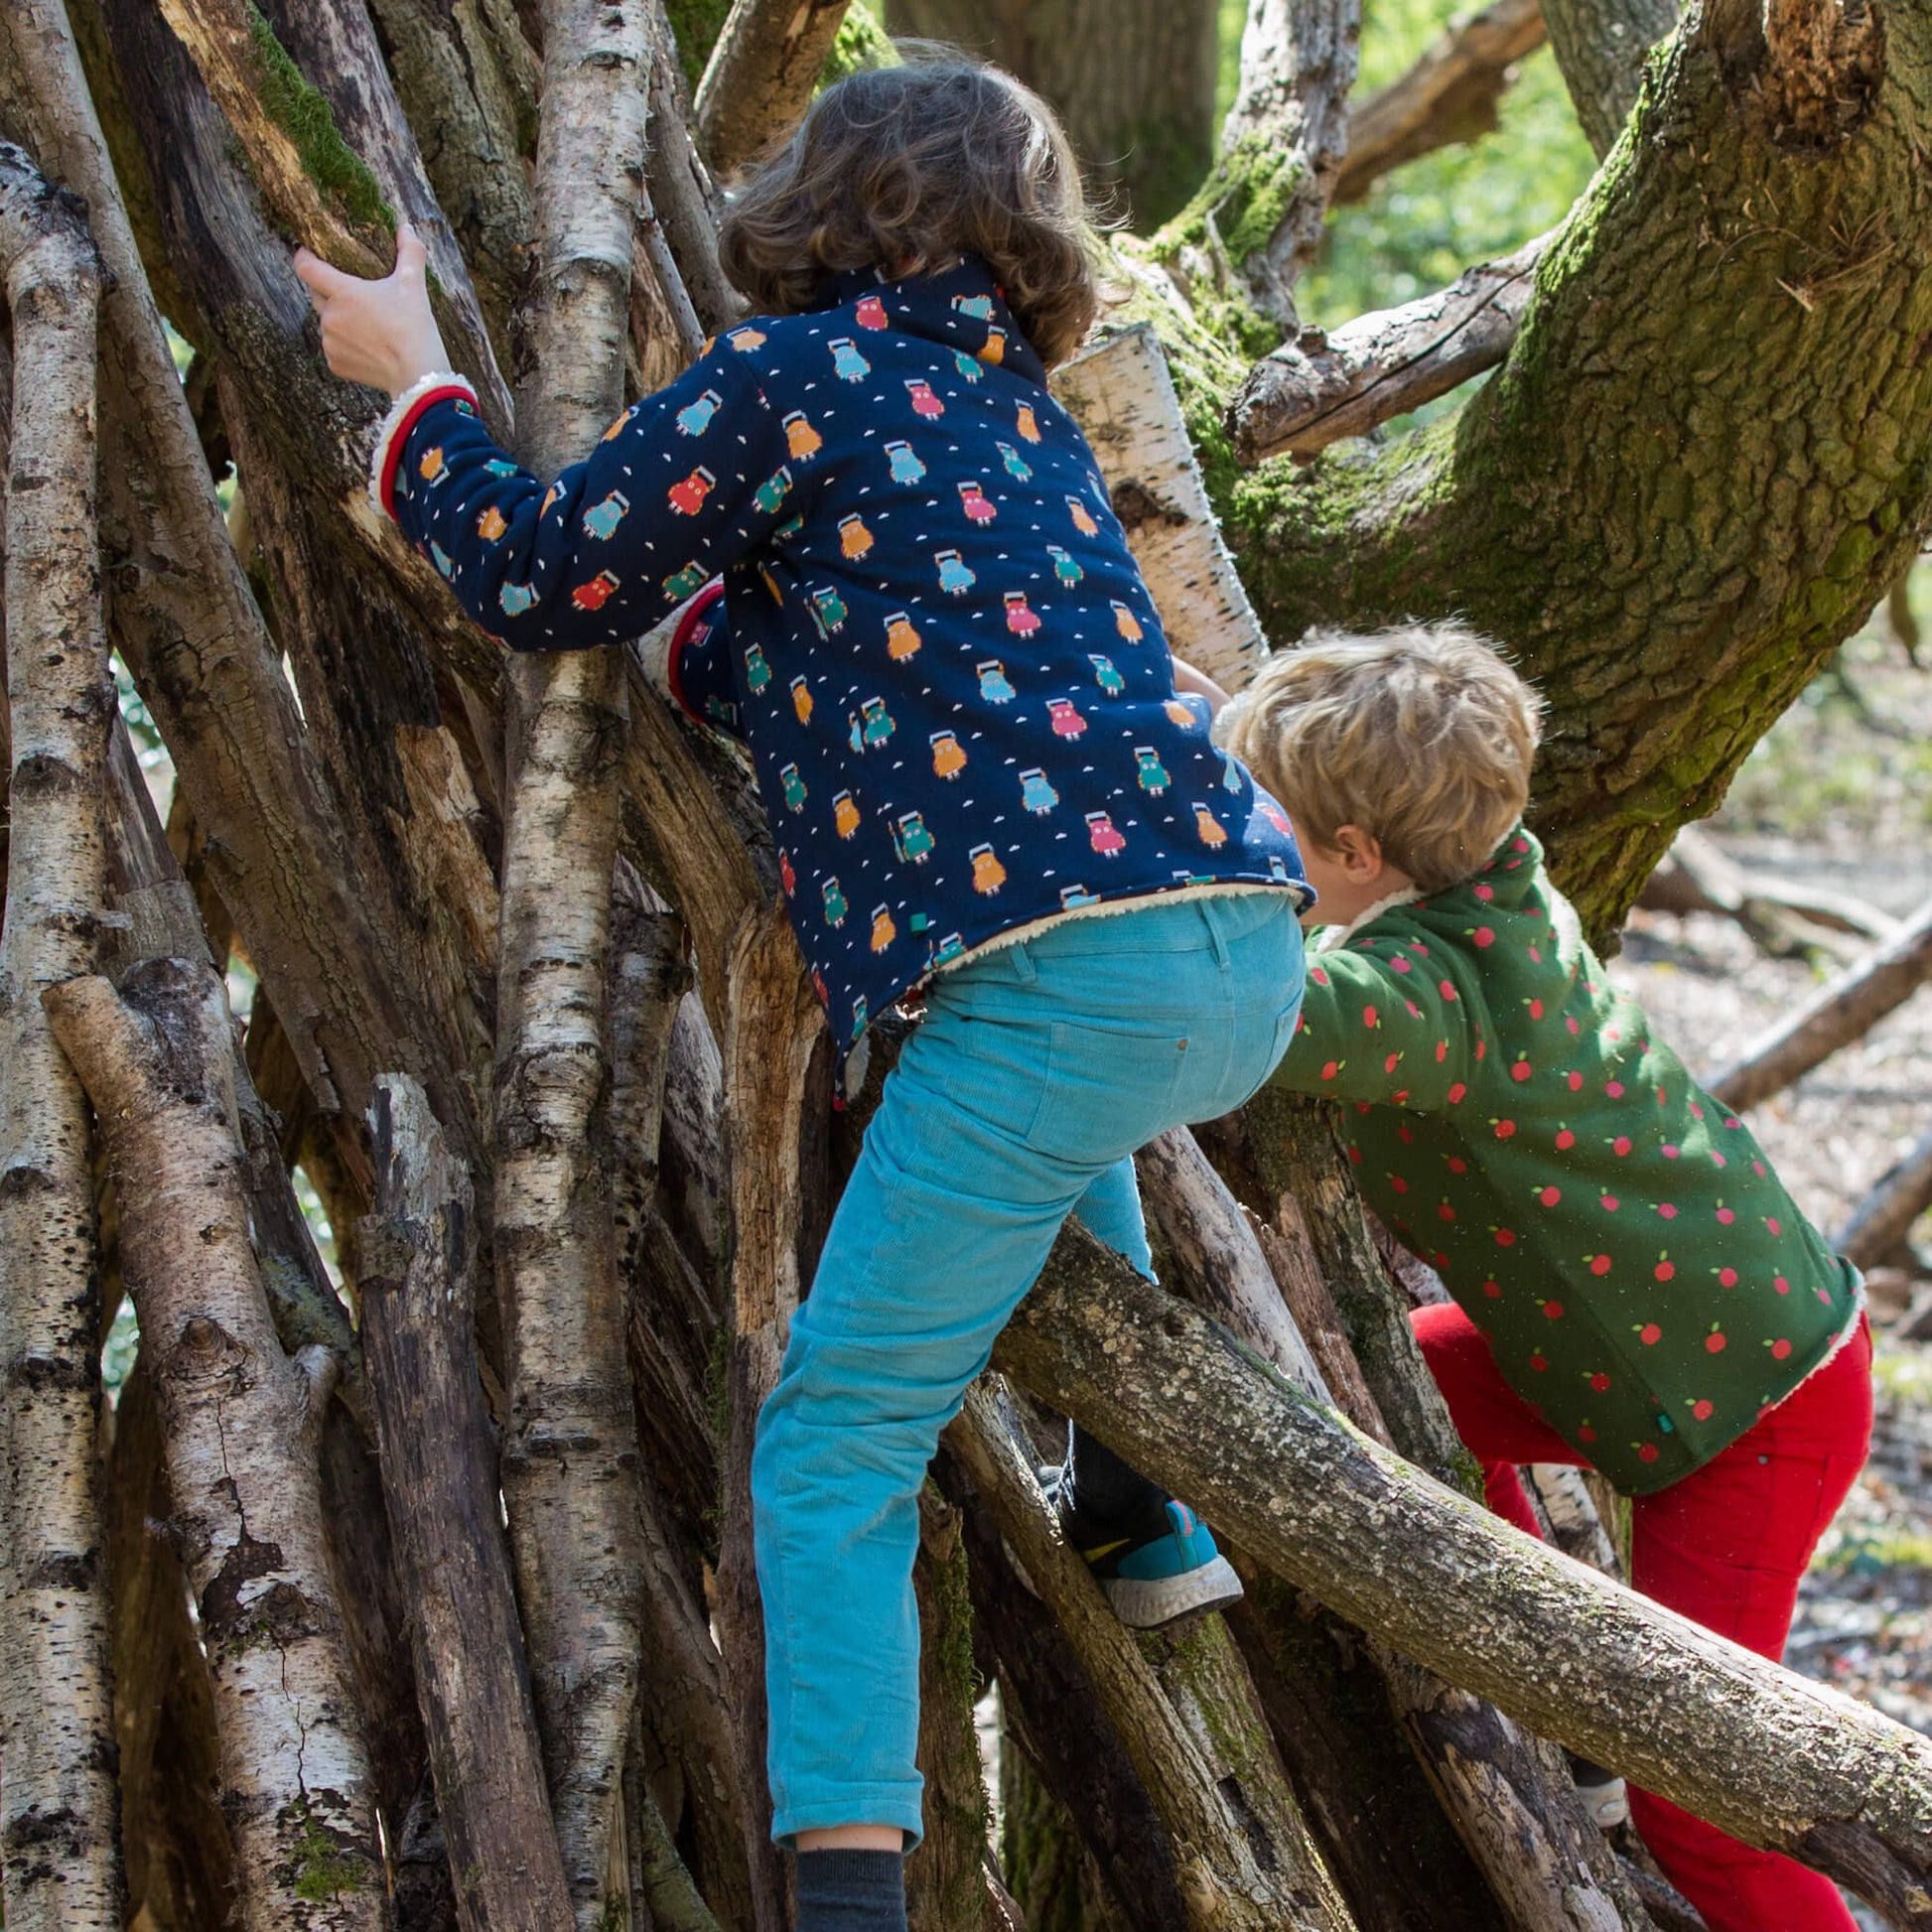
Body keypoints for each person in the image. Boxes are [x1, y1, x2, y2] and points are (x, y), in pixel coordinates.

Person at [297, 55, 1311, 1931]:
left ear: (821, 201)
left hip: (1052, 974)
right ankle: (1141, 1509)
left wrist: (413, 378)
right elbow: (835, 645)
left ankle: (845, 1900)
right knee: (1054, 1097)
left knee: (835, 1437)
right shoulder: (1017, 423)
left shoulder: (786, 383)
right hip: (1241, 936)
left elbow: (540, 572)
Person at [1186, 624, 1870, 1932]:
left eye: (1261, 810)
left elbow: (1260, 1014)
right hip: (1674, 1346)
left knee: (1704, 1809)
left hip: (1744, 1419)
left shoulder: (1426, 1002)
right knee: (1399, 1411)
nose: (1241, 827)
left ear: (1354, 855)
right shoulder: (1499, 875)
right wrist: (1224, 728)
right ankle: (1512, 1620)